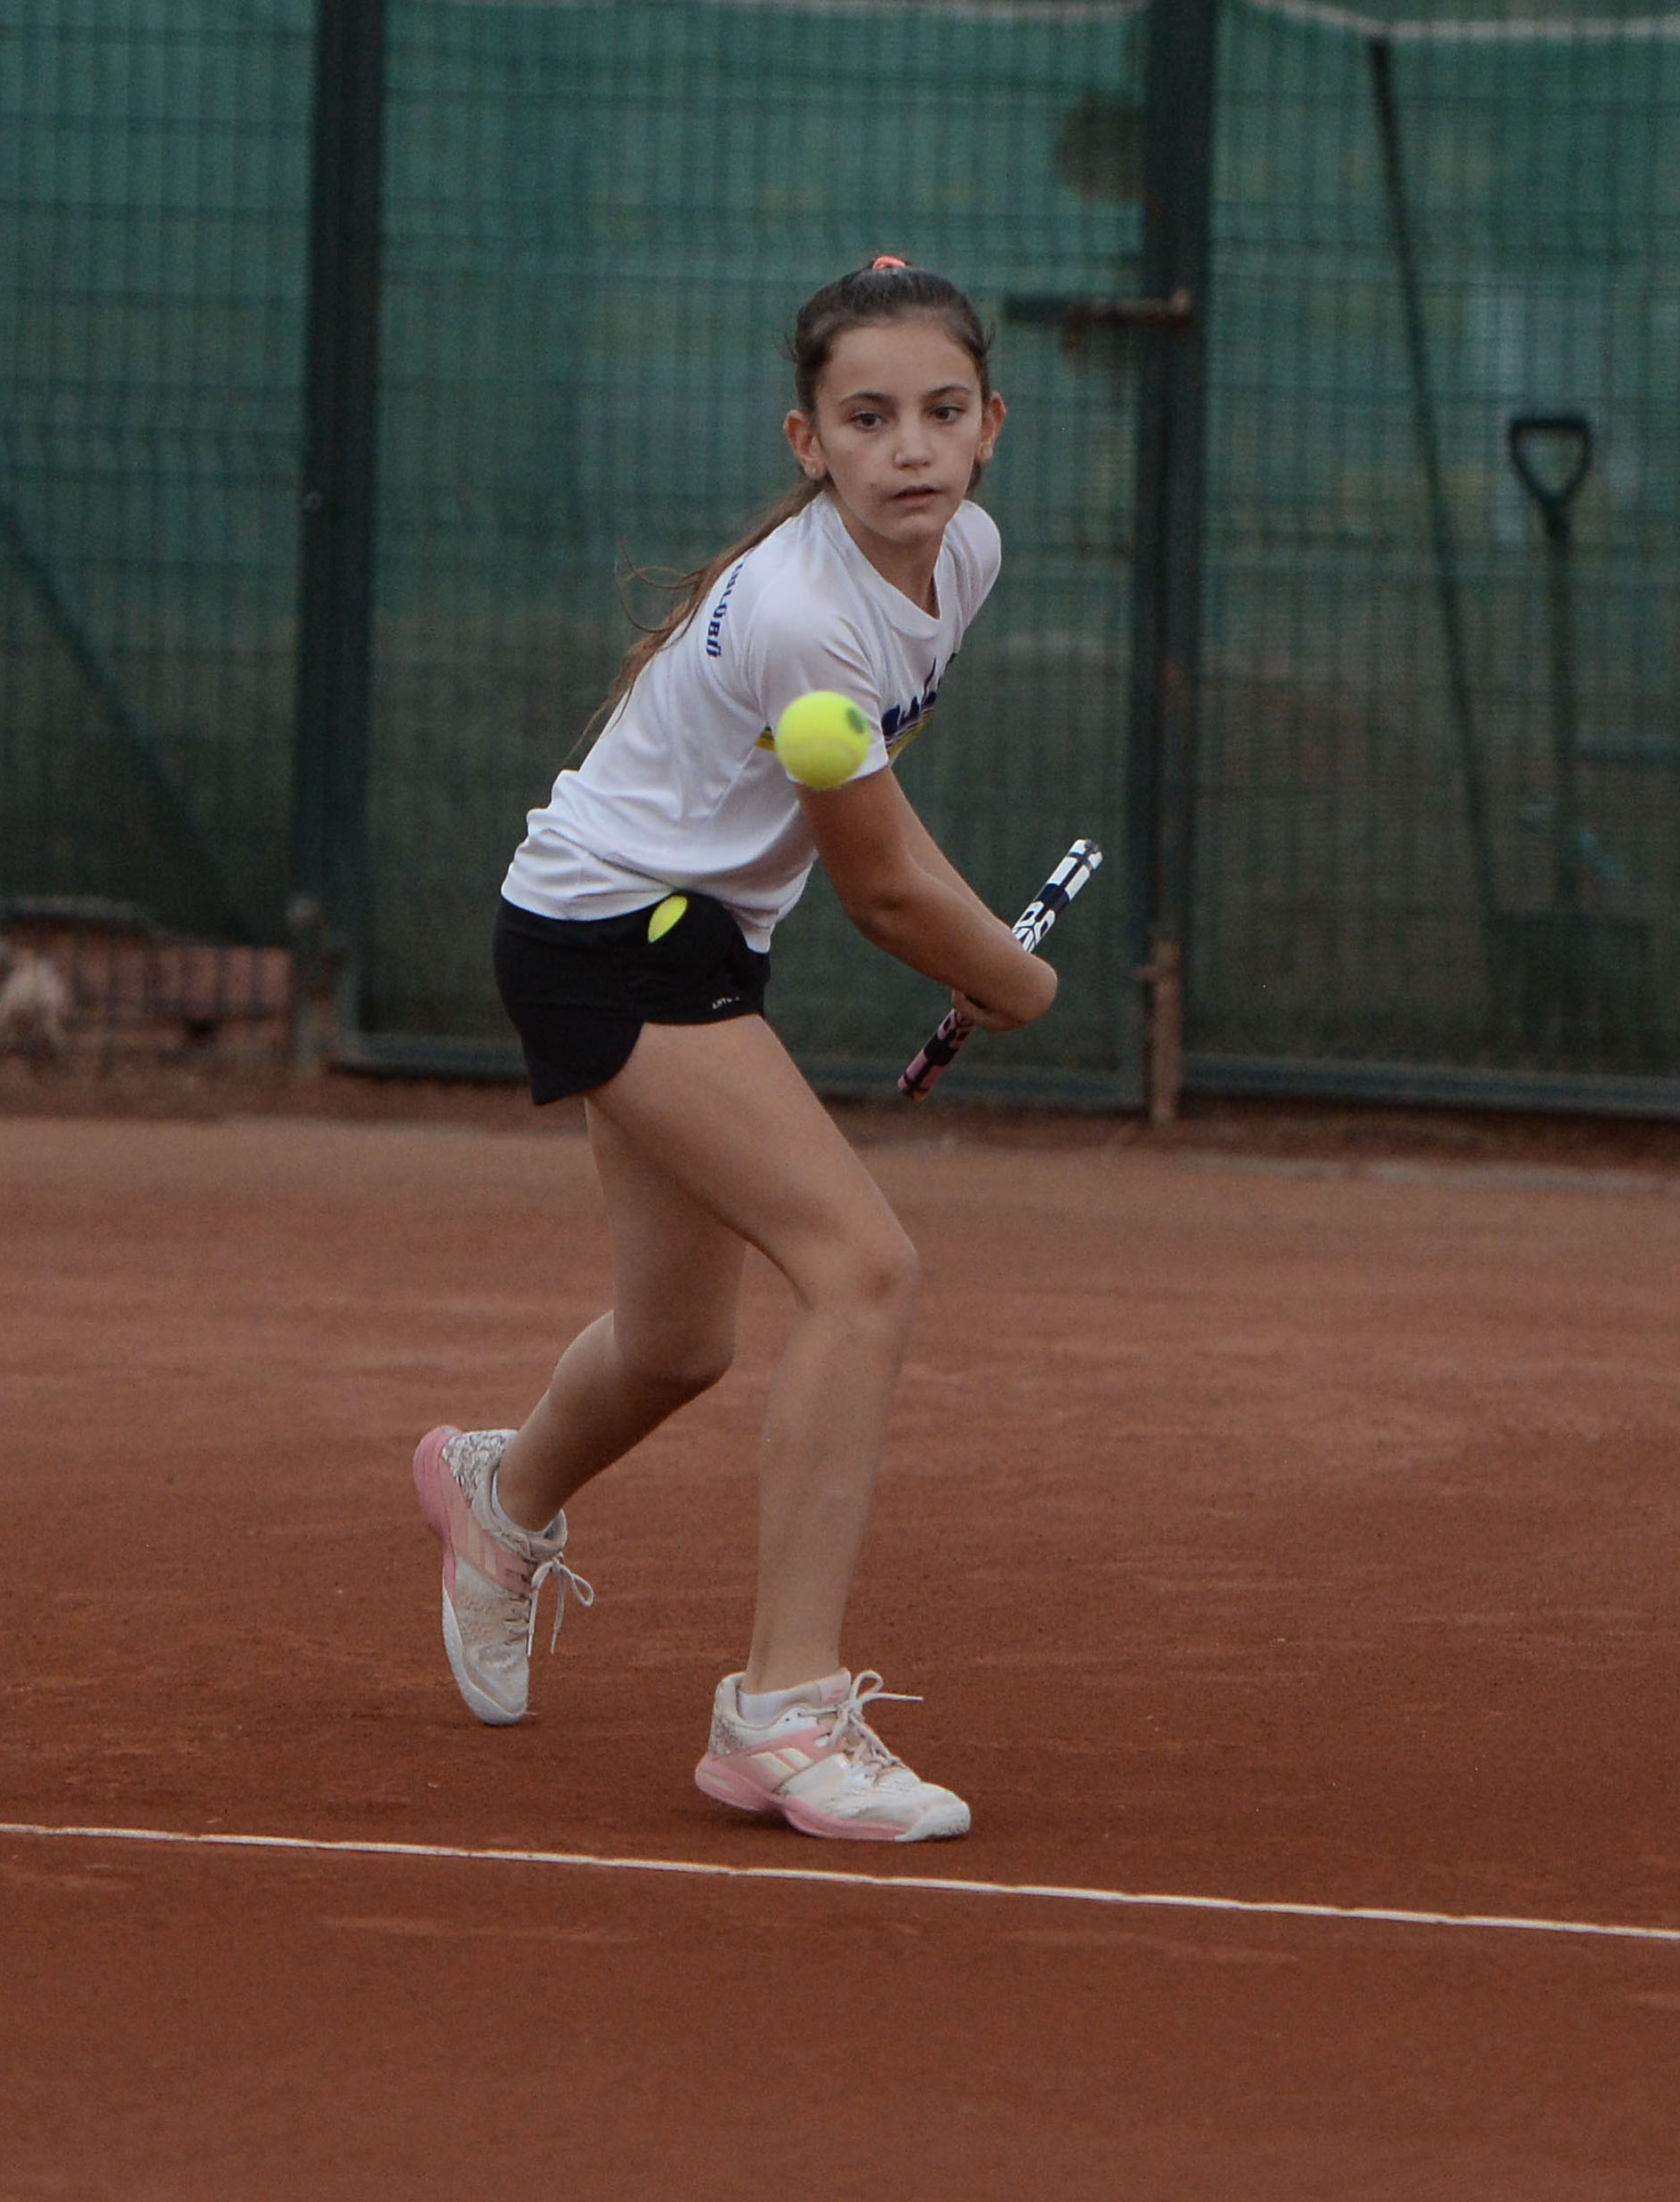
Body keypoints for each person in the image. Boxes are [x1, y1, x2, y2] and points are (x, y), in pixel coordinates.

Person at [412, 258, 1058, 1843]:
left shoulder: (963, 554)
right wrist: (1011, 978)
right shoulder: (801, 618)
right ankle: (782, 1712)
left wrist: (976, 950)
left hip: (687, 939)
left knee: (676, 1344)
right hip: (606, 946)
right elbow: (883, 884)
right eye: (867, 418)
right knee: (864, 1270)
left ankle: (501, 1497)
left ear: (991, 425)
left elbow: (872, 823)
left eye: (941, 411)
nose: (910, 447)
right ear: (806, 442)